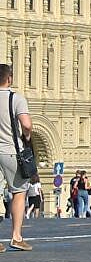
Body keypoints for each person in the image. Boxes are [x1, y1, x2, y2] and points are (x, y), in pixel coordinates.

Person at [1, 63, 30, 250]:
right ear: (9, 79)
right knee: (18, 192)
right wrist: (26, 137)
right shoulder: (15, 98)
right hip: (11, 151)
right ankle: (16, 237)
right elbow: (26, 124)